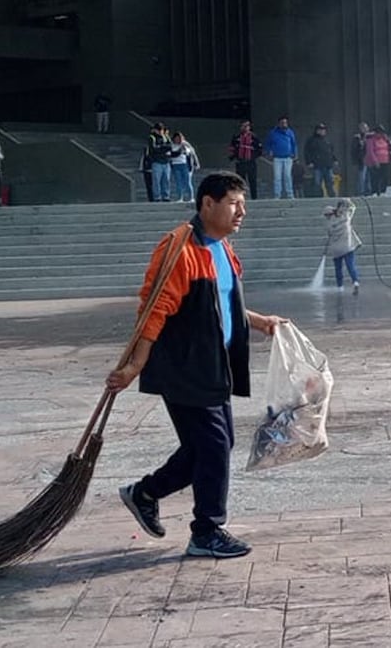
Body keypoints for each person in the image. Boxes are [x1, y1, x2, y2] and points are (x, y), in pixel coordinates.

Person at [107, 171, 286, 559]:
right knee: (214, 444)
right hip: (183, 365)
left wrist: (260, 322)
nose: (242, 212)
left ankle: (145, 493)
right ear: (208, 203)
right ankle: (206, 530)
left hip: (213, 364)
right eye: (234, 203)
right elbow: (154, 310)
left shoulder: (222, 249)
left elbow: (226, 304)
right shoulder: (179, 248)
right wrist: (134, 365)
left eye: (244, 204)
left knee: (210, 446)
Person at [323, 198, 362, 293]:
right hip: (347, 247)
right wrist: (348, 201)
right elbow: (353, 207)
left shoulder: (329, 223)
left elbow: (329, 232)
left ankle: (340, 286)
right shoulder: (346, 216)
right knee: (350, 265)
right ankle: (355, 281)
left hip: (336, 249)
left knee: (338, 268)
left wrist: (333, 210)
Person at [228, 121, 262, 199]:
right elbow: (232, 148)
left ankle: (254, 198)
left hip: (251, 162)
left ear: (249, 127)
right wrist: (234, 157)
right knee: (240, 182)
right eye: (243, 126)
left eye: (246, 126)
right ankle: (241, 198)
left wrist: (253, 157)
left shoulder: (254, 137)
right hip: (240, 162)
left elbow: (259, 150)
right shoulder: (236, 137)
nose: (244, 128)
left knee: (252, 181)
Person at [265, 115, 297, 199]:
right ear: (278, 123)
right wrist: (269, 152)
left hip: (288, 158)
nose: (284, 124)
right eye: (282, 123)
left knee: (287, 176)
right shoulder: (273, 132)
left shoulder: (290, 132)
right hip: (277, 158)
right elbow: (268, 144)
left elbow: (294, 144)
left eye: (285, 123)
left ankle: (290, 194)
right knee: (277, 177)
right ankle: (277, 195)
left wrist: (295, 154)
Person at [304, 123, 337, 198]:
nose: (322, 131)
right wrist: (309, 162)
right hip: (317, 165)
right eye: (321, 130)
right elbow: (307, 152)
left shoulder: (327, 140)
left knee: (330, 183)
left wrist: (335, 159)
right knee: (317, 183)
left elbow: (331, 151)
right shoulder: (311, 140)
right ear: (317, 130)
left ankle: (332, 197)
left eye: (324, 130)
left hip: (328, 165)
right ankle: (318, 197)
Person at [169, 132, 200, 203]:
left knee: (187, 181)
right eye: (176, 138)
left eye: (178, 138)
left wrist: (196, 163)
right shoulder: (171, 145)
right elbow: (171, 154)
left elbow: (192, 152)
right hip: (175, 165)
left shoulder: (185, 144)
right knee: (178, 182)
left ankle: (191, 197)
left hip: (184, 165)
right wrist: (179, 152)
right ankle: (180, 197)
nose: (177, 140)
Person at [147, 123, 173, 202]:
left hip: (166, 161)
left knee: (166, 180)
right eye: (158, 130)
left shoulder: (166, 137)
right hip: (157, 162)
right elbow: (153, 149)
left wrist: (162, 148)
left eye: (161, 130)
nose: (160, 131)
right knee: (156, 181)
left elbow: (170, 146)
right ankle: (157, 197)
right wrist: (163, 148)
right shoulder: (152, 137)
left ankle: (166, 196)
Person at [364, 125, 391, 196]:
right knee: (375, 177)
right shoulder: (371, 139)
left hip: (385, 160)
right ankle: (374, 191)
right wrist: (375, 161)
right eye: (379, 133)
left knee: (384, 177)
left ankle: (383, 191)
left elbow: (389, 147)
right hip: (375, 161)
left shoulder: (384, 139)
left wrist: (388, 140)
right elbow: (370, 151)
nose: (380, 134)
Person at [349, 122, 370, 196]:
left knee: (368, 177)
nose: (364, 129)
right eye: (362, 128)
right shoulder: (357, 138)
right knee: (362, 177)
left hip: (370, 160)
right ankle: (360, 192)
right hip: (362, 160)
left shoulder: (370, 137)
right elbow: (354, 150)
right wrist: (355, 160)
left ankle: (368, 192)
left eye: (366, 127)